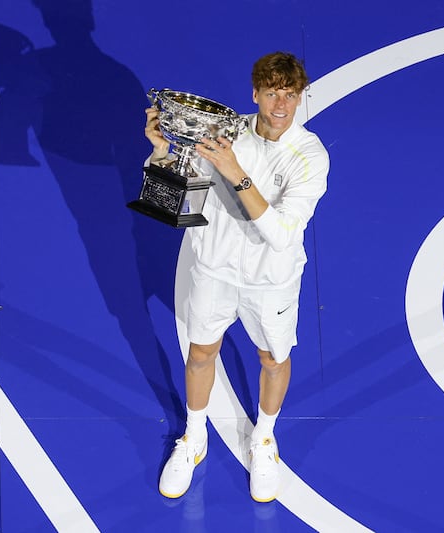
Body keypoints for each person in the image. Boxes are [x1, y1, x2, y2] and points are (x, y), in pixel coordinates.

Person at [144, 51, 329, 502]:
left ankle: (263, 440)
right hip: (213, 270)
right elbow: (173, 208)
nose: (281, 105)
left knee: (272, 360)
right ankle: (194, 437)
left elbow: (282, 235)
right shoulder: (223, 133)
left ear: (300, 96)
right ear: (255, 94)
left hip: (272, 281)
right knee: (201, 351)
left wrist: (235, 172)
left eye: (290, 95)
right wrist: (163, 153)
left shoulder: (309, 156)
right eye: (272, 94)